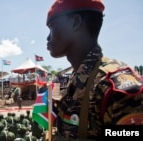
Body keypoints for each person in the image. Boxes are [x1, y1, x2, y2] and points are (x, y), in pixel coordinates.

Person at [46, 0, 143, 140]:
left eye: (52, 26)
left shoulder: (113, 87)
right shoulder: (77, 81)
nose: (48, 37)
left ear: (75, 22)